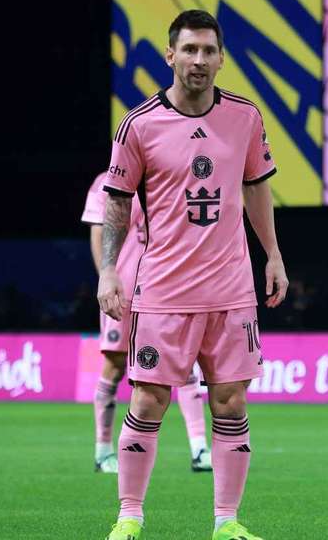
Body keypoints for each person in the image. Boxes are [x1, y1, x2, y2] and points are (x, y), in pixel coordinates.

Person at [97, 10, 287, 540]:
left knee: (231, 401)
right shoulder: (139, 124)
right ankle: (129, 517)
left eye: (208, 51)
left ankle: (226, 523)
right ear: (170, 55)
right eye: (189, 49)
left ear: (221, 59)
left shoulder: (245, 117)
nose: (199, 60)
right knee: (148, 401)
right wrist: (109, 270)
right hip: (163, 291)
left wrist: (273, 254)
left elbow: (257, 187)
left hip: (231, 289)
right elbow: (117, 201)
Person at [82, 172, 213, 475]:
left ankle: (199, 449)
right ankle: (103, 451)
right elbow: (99, 232)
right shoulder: (106, 182)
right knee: (115, 365)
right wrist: (106, 277)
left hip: (167, 287)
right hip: (125, 288)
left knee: (185, 363)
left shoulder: (169, 175)